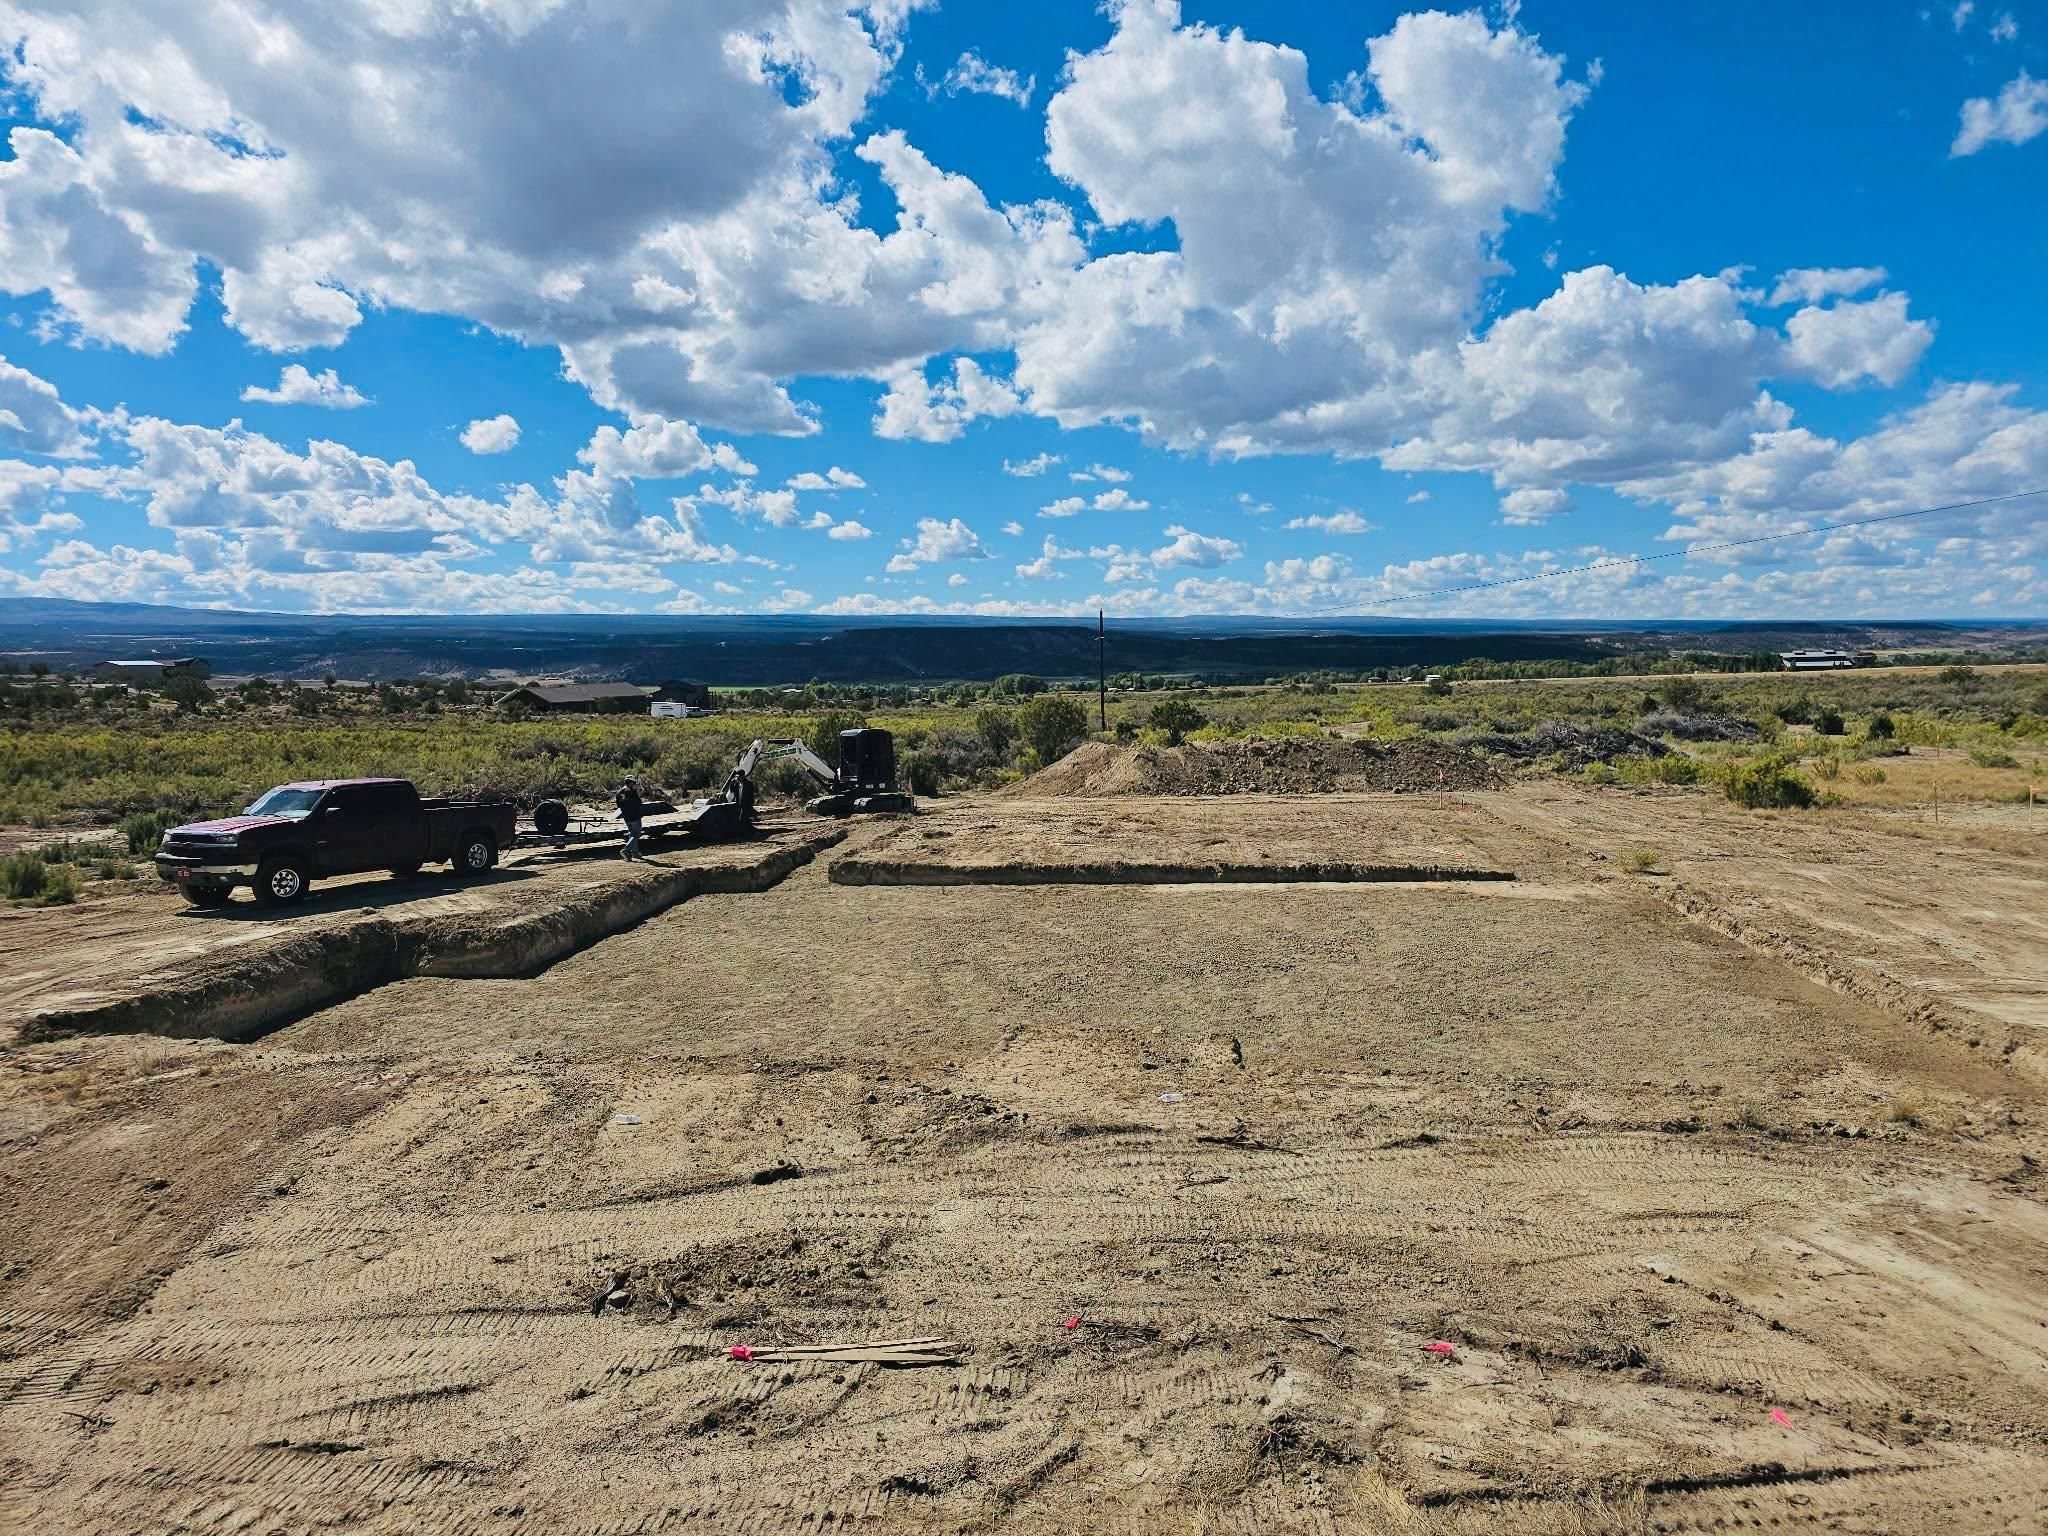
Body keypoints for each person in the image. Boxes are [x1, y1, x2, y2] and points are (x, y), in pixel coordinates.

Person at [615, 776, 645, 861]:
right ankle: (626, 850)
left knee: (632, 834)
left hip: (626, 817)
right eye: (634, 783)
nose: (634, 784)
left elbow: (619, 806)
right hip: (635, 816)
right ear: (631, 782)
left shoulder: (619, 792)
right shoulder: (631, 791)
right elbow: (638, 803)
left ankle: (635, 852)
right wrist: (638, 793)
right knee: (636, 834)